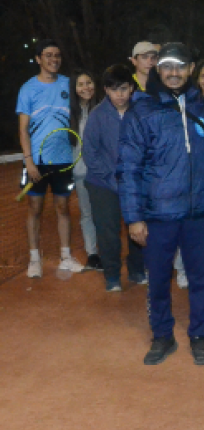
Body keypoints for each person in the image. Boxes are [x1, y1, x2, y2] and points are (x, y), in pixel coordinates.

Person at [117, 42, 204, 366]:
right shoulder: (141, 110)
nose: (174, 73)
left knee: (201, 279)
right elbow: (128, 168)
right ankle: (162, 335)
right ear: (158, 69)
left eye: (180, 66)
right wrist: (134, 218)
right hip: (159, 214)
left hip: (199, 212)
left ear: (190, 69)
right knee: (158, 280)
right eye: (167, 66)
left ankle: (199, 334)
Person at [16, 39, 86, 278]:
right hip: (36, 160)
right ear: (38, 59)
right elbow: (23, 129)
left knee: (63, 207)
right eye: (48, 55)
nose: (54, 59)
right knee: (35, 208)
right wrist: (29, 161)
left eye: (57, 55)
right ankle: (34, 259)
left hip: (64, 159)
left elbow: (85, 103)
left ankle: (66, 257)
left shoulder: (69, 84)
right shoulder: (28, 89)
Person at [83, 64, 147, 291]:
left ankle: (137, 270)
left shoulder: (140, 112)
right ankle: (112, 276)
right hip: (102, 183)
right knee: (108, 230)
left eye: (124, 88)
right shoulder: (97, 116)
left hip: (135, 182)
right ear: (106, 90)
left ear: (132, 88)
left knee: (137, 226)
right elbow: (90, 153)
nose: (119, 94)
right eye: (113, 89)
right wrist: (113, 178)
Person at [174, 59, 204, 289]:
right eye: (203, 76)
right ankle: (184, 269)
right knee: (189, 225)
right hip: (192, 176)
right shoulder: (189, 104)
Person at [69, 68, 102, 270]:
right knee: (87, 214)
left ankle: (108, 249)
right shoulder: (69, 114)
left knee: (104, 213)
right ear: (74, 89)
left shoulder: (103, 109)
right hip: (81, 173)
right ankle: (92, 254)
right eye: (80, 84)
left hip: (102, 173)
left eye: (88, 83)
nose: (85, 88)